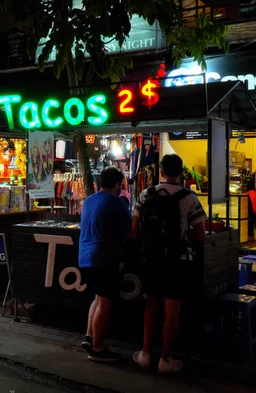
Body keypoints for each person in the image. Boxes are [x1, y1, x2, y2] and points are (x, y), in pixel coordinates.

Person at [132, 154, 206, 374]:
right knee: (172, 309)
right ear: (181, 172)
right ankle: (165, 358)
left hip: (152, 259)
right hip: (178, 260)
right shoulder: (189, 197)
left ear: (161, 171)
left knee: (151, 304)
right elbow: (200, 237)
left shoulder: (146, 194)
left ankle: (145, 354)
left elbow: (134, 230)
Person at [78, 166, 131, 362]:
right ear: (118, 184)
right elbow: (130, 231)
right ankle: (98, 350)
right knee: (105, 303)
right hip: (103, 258)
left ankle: (90, 337)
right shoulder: (116, 202)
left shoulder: (89, 200)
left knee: (98, 299)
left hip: (85, 258)